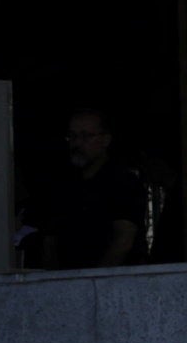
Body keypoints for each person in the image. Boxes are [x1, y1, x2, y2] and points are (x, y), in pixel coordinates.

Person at [39, 104, 155, 270]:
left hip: (114, 285)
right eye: (72, 136)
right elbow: (50, 241)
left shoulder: (123, 182)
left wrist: (94, 280)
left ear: (105, 140)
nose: (77, 143)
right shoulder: (63, 186)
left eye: (86, 136)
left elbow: (123, 240)